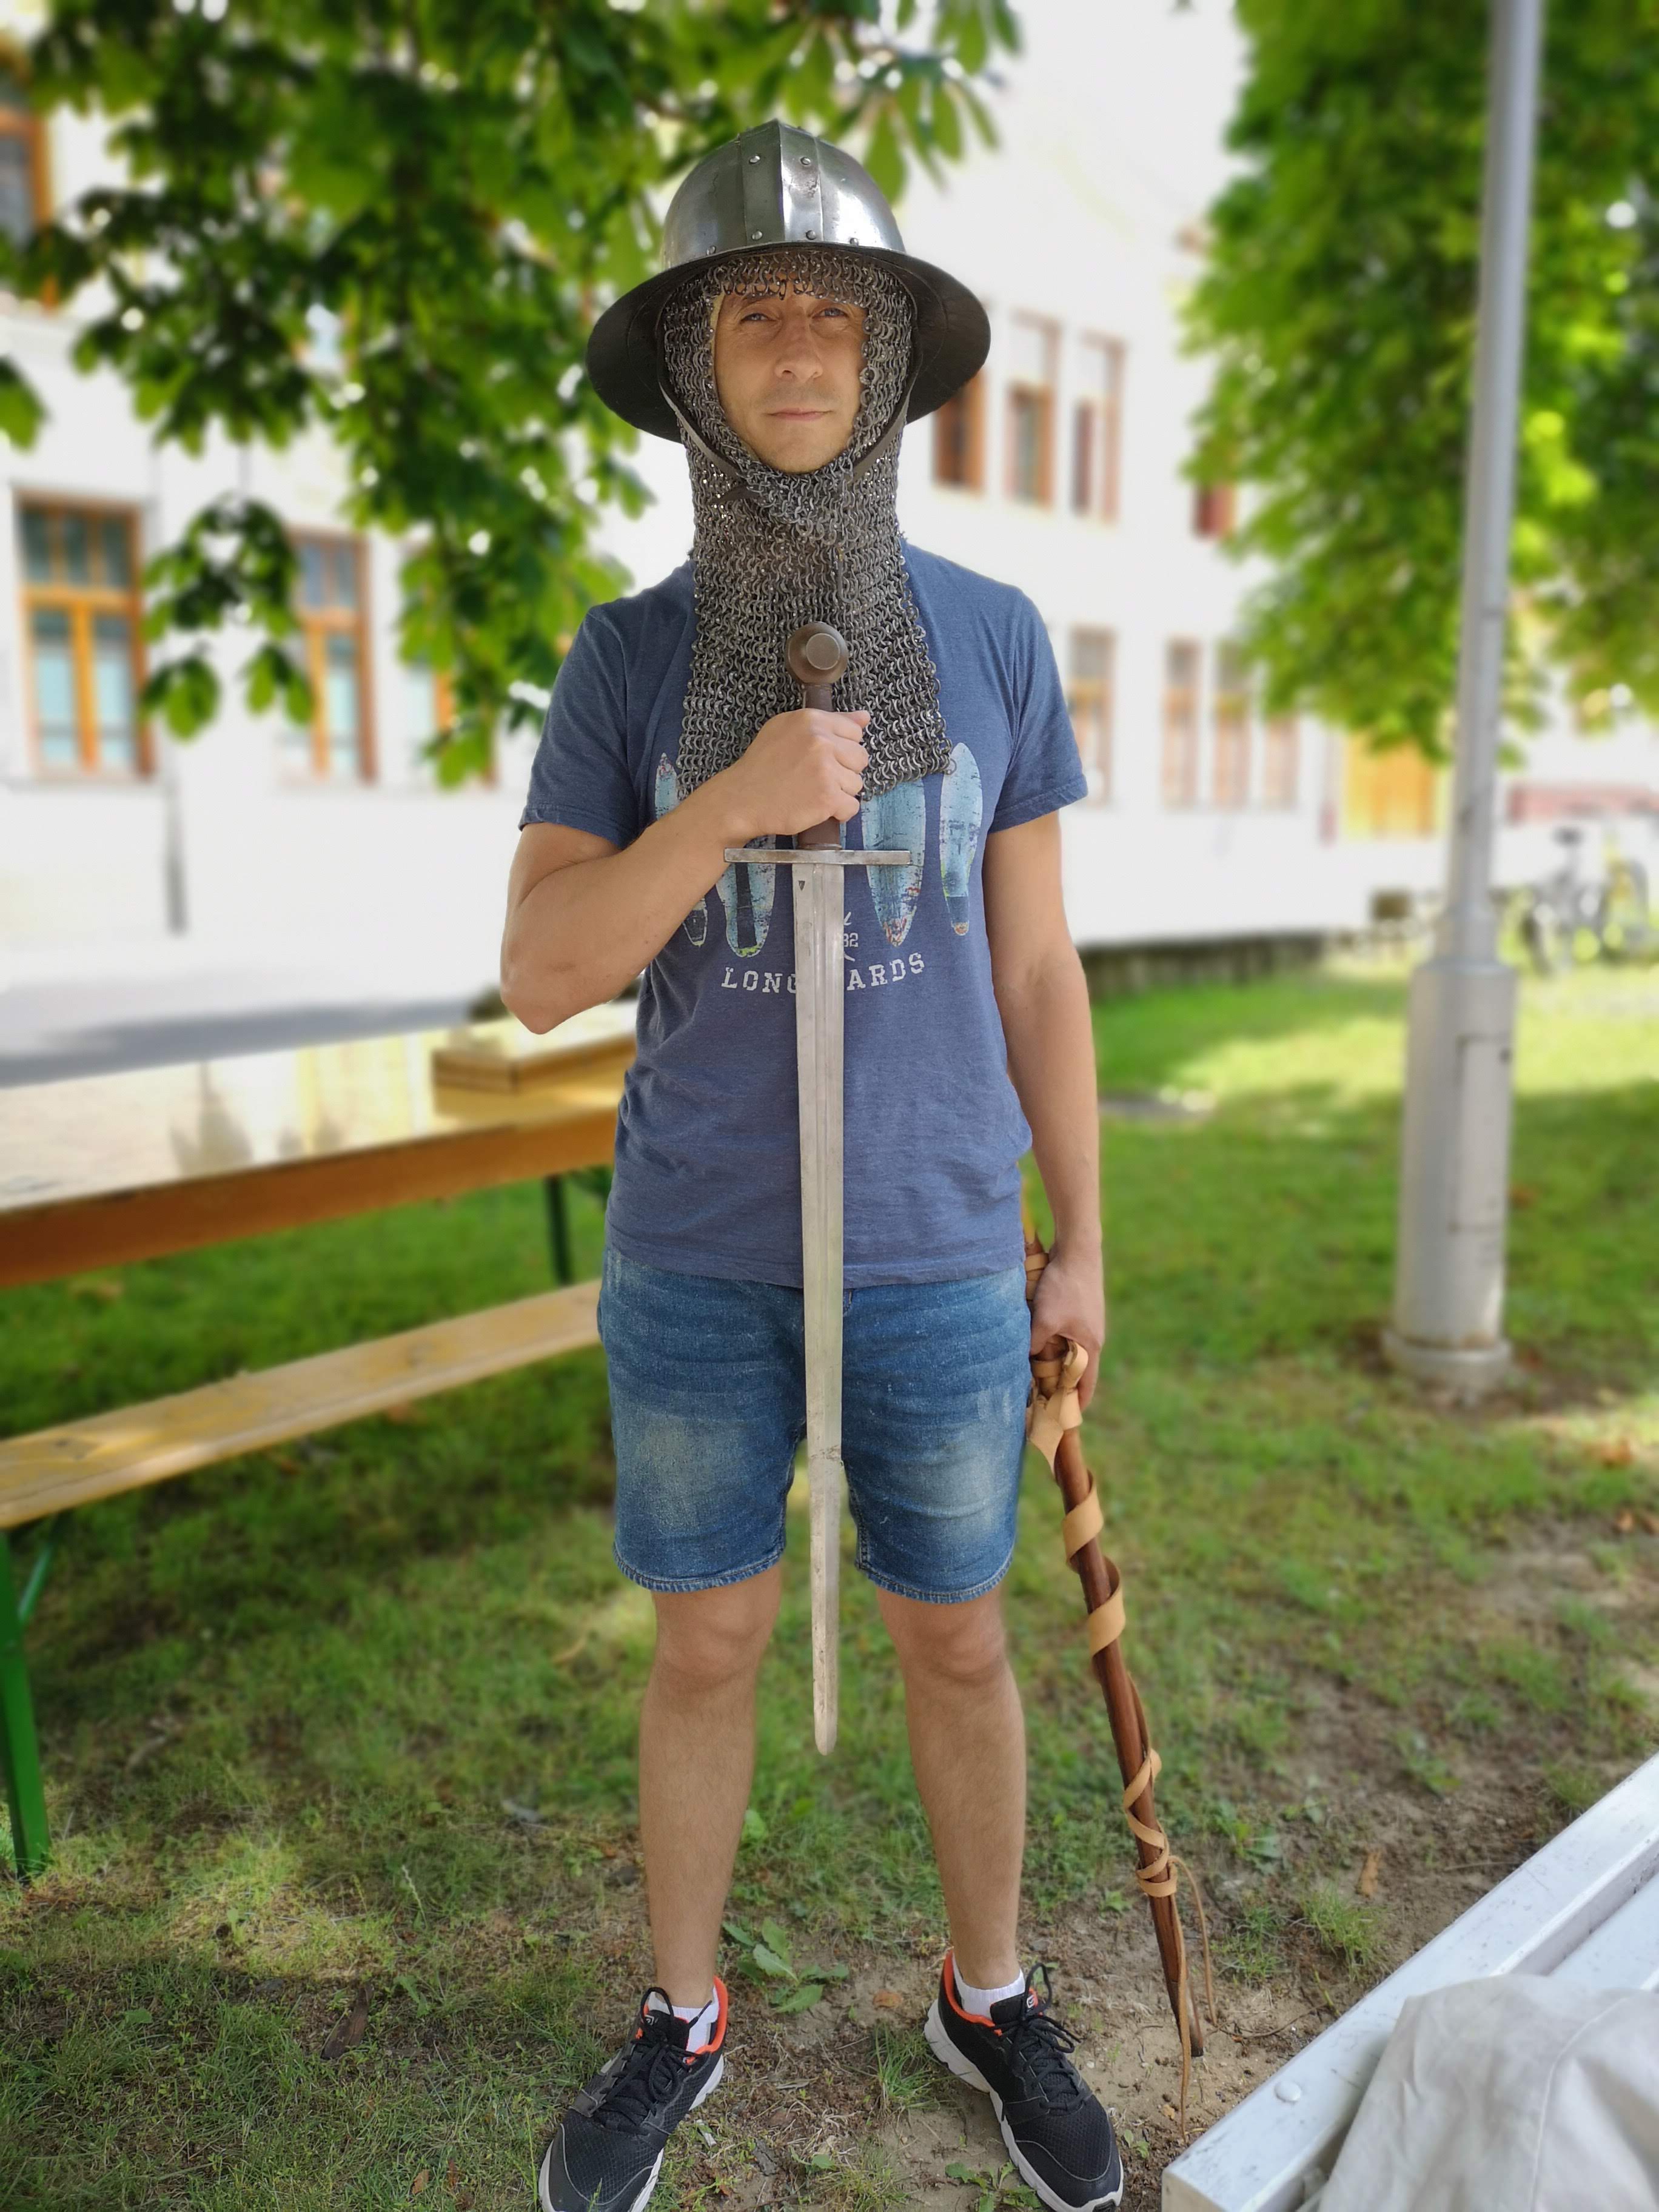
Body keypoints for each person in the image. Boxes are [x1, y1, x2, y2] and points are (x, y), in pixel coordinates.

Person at [501, 121, 1119, 2212]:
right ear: (694, 363)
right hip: (699, 1247)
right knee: (706, 1643)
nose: (789, 347)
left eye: (826, 314)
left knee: (958, 1637)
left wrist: (1082, 1241)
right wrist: (733, 801)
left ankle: (990, 1995)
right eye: (746, 311)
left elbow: (1036, 969)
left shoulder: (997, 637)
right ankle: (682, 2015)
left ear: (884, 360)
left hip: (941, 1242)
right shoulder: (629, 658)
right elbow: (543, 973)